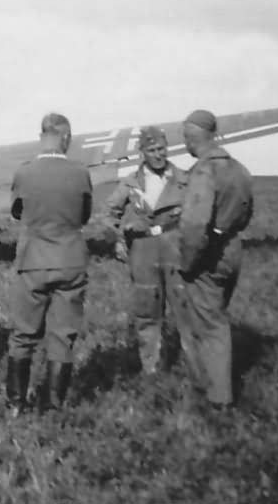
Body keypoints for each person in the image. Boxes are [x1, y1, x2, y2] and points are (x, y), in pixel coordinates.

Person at [6, 113, 93, 412]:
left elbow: (17, 212)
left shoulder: (25, 172)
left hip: (33, 260)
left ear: (42, 136)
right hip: (70, 260)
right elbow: (84, 215)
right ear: (66, 138)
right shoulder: (81, 173)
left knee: (23, 334)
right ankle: (54, 404)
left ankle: (16, 404)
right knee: (63, 335)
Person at [175, 109, 253, 408]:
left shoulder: (204, 171)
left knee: (209, 327)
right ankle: (212, 388)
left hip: (208, 256)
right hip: (234, 249)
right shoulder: (238, 169)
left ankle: (216, 397)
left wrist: (187, 264)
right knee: (216, 316)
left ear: (190, 138)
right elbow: (247, 213)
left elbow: (194, 227)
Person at [105, 126, 187, 375]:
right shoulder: (131, 182)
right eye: (151, 150)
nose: (158, 155)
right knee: (147, 310)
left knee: (185, 308)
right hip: (143, 251)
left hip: (176, 247)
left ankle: (194, 366)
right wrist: (118, 239)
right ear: (142, 153)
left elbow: (201, 210)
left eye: (161, 149)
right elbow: (110, 213)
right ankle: (151, 367)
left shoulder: (184, 179)